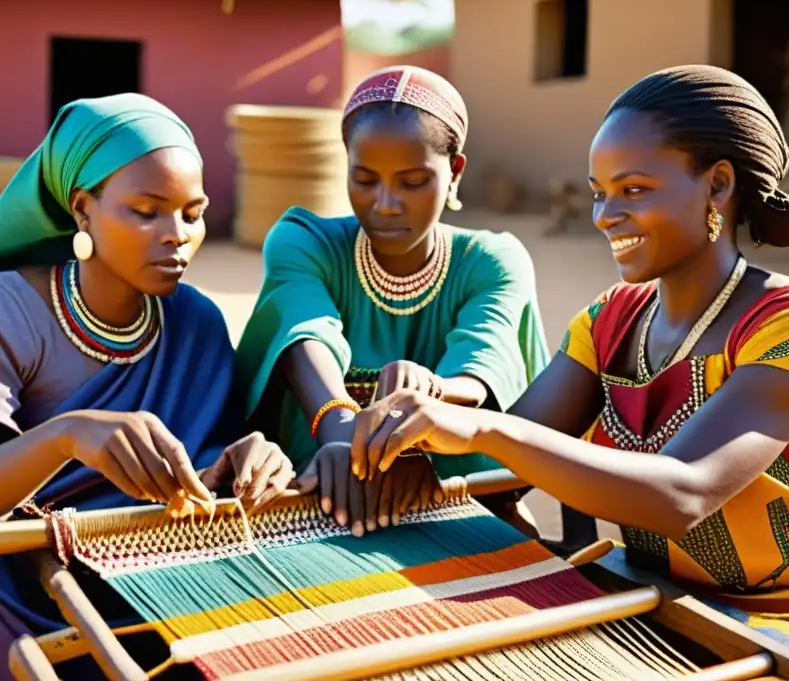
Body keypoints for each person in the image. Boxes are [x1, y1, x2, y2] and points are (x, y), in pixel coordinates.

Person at [349, 65, 789, 680]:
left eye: (633, 190)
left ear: (717, 185)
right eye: (598, 192)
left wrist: (478, 430)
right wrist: (372, 449)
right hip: (661, 606)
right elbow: (505, 471)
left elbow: (683, 492)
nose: (606, 215)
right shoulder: (608, 321)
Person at [0, 94, 293, 680]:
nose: (177, 236)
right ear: (82, 209)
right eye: (146, 211)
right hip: (11, 574)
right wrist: (65, 438)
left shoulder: (196, 322)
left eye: (192, 214)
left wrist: (243, 459)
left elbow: (198, 483)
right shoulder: (2, 308)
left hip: (138, 578)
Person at [236, 65, 571, 540]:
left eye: (412, 181)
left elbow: (481, 368)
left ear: (454, 172)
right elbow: (304, 334)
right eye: (366, 179)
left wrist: (431, 391)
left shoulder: (491, 260)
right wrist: (342, 434)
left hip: (453, 498)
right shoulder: (304, 241)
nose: (386, 203)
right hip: (323, 494)